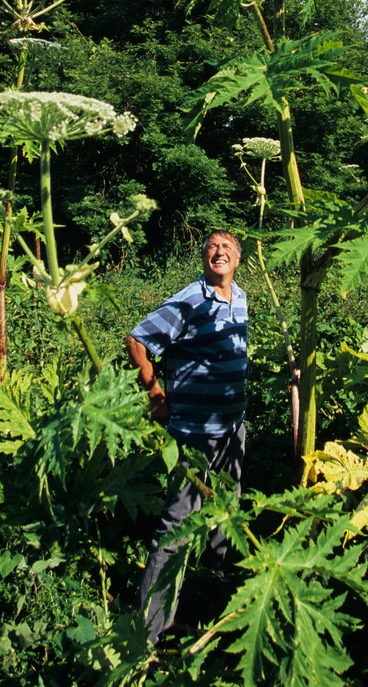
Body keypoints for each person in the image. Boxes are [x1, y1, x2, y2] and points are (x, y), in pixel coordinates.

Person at [126, 230, 247, 644]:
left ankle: (214, 589)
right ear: (203, 258)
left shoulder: (241, 298)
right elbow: (138, 339)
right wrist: (155, 391)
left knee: (227, 511)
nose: (220, 252)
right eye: (213, 247)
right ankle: (150, 633)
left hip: (233, 429)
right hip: (195, 433)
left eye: (227, 247)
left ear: (238, 259)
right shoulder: (190, 300)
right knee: (176, 527)